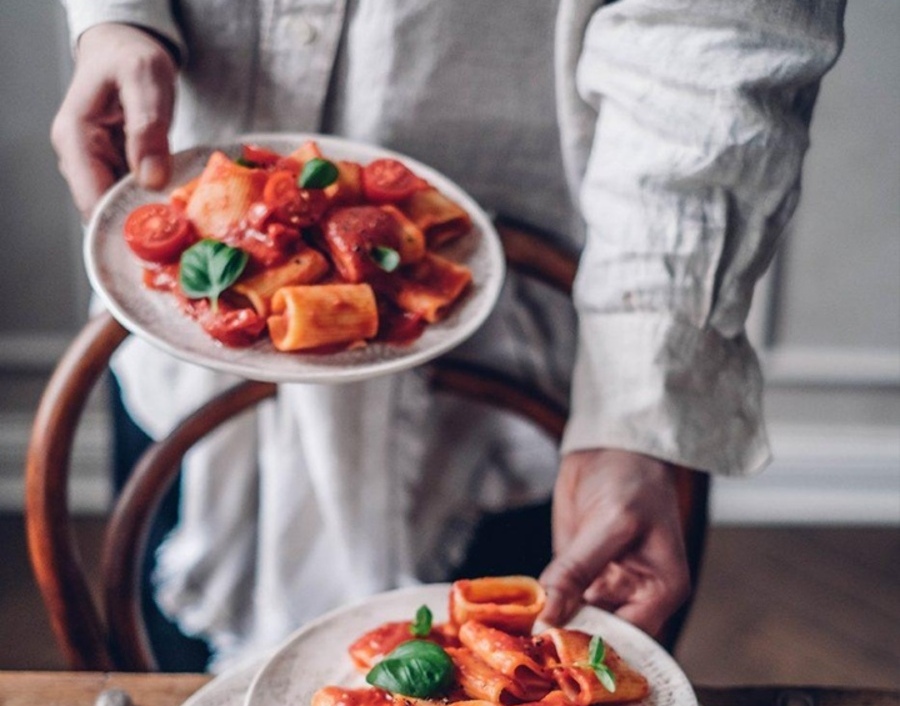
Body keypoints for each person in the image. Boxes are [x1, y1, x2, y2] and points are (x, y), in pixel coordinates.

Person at [52, 0, 845, 671]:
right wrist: (119, 21)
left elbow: (716, 31)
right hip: (189, 357)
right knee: (180, 705)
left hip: (516, 379)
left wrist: (636, 404)